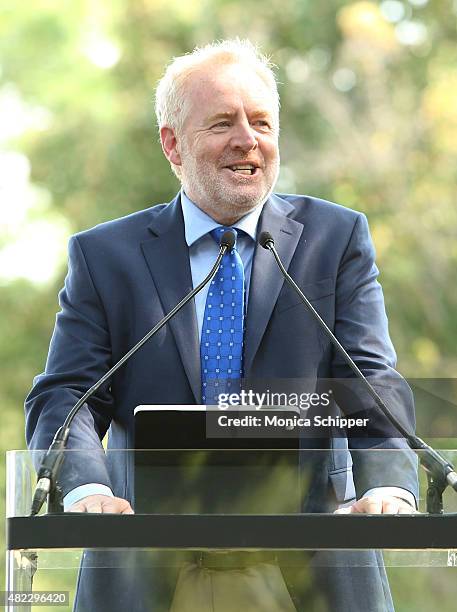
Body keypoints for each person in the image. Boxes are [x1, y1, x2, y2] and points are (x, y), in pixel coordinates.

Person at [25, 39, 418, 611]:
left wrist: (387, 484)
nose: (247, 140)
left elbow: (369, 380)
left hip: (312, 568)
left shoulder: (335, 240)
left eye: (261, 122)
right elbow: (67, 395)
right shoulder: (105, 255)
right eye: (222, 123)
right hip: (148, 565)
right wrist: (87, 487)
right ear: (172, 144)